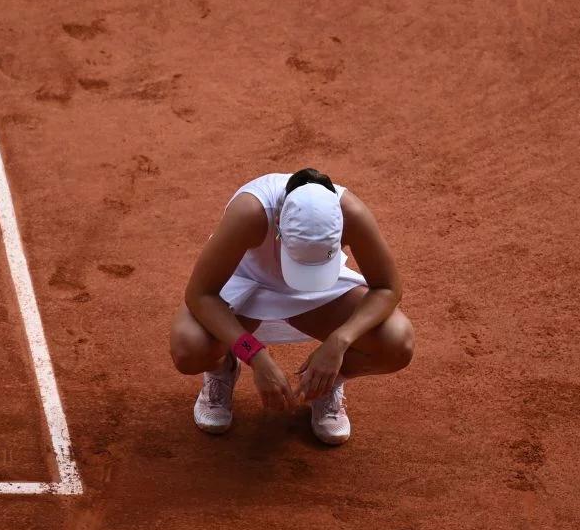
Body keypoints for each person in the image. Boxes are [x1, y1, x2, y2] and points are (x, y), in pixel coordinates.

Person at [169, 168, 414, 445]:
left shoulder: (352, 214)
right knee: (189, 348)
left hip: (318, 296)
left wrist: (339, 341)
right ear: (278, 226)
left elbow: (388, 287)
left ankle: (326, 382)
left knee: (397, 341)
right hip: (246, 287)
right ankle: (221, 368)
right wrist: (254, 355)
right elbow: (200, 295)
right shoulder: (250, 213)